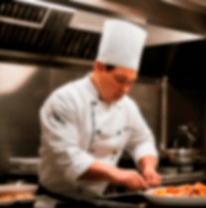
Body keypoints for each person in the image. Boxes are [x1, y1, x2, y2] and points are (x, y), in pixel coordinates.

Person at [38, 19, 161, 198]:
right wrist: (117, 174)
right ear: (99, 67)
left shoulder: (127, 106)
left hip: (97, 198)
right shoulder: (65, 100)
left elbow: (142, 140)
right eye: (120, 80)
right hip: (56, 201)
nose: (125, 89)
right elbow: (67, 157)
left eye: (131, 82)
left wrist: (148, 167)